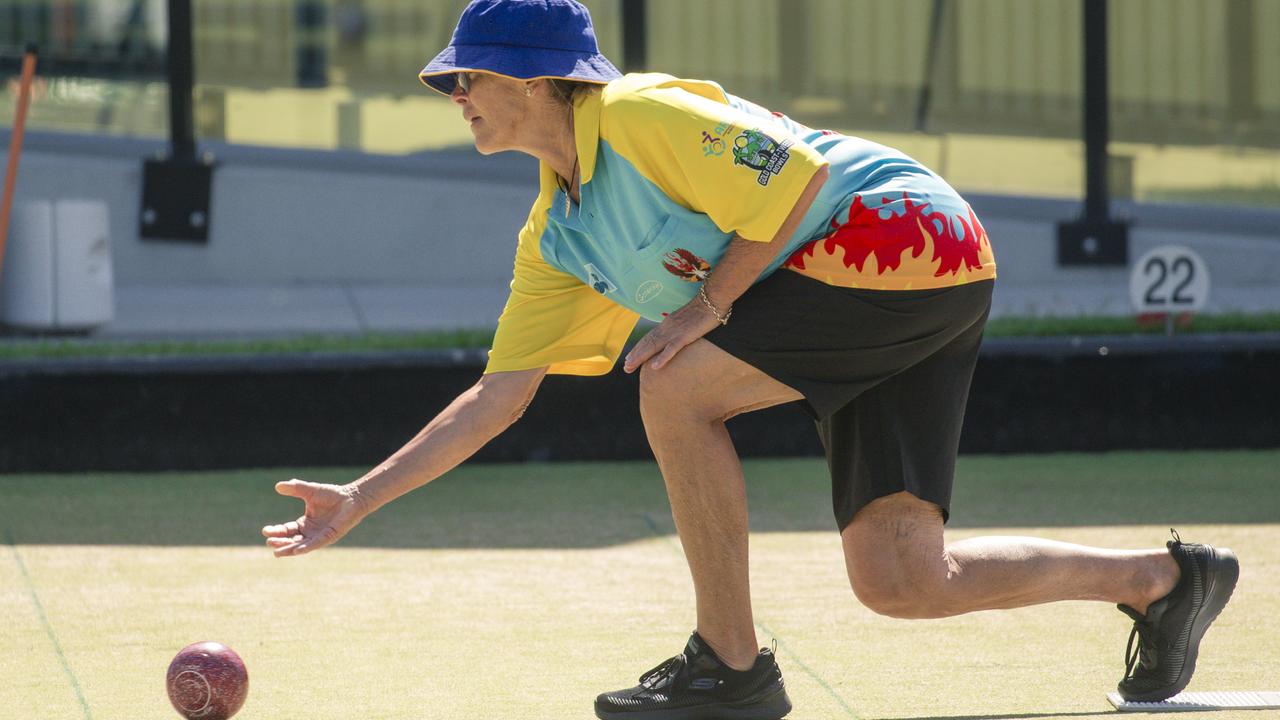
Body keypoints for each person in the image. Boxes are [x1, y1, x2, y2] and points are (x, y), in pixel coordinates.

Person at [262, 2, 1240, 718]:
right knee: (902, 580)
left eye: (464, 78)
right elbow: (497, 396)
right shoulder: (556, 238)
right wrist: (361, 496)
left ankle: (727, 670)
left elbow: (798, 170)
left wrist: (708, 301)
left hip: (905, 233)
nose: (453, 96)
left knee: (675, 385)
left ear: (529, 80)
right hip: (904, 287)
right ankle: (1161, 580)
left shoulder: (639, 114)